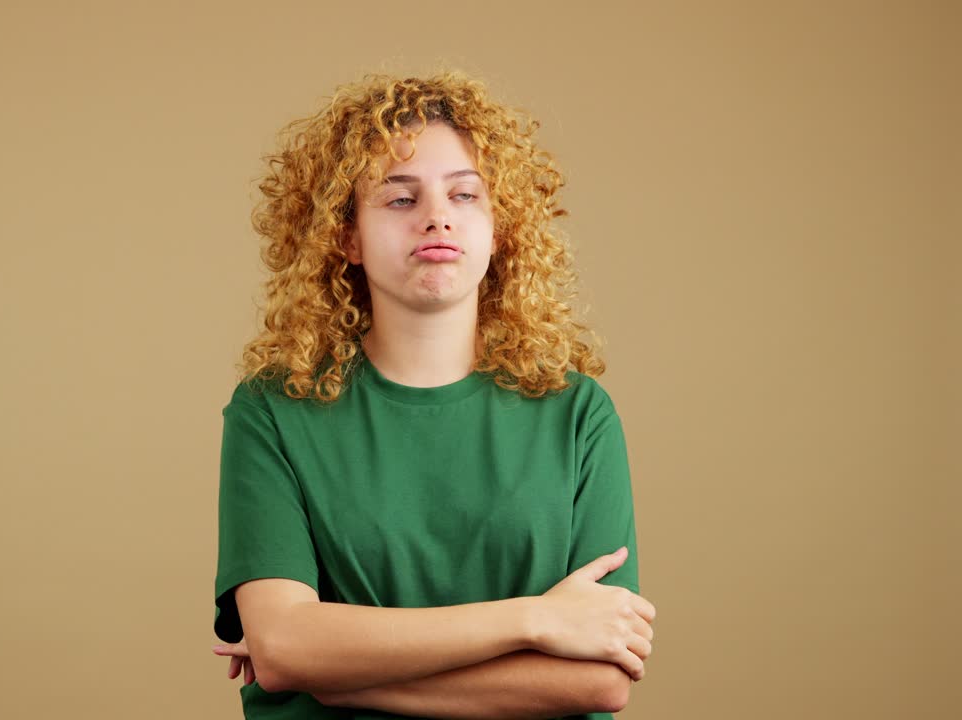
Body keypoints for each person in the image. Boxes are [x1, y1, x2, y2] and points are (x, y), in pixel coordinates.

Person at [210, 69, 656, 720]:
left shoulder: (577, 413)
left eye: (466, 195)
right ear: (346, 236)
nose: (437, 217)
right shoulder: (273, 411)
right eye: (399, 199)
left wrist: (337, 678)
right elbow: (282, 646)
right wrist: (536, 620)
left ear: (499, 227)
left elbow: (599, 682)